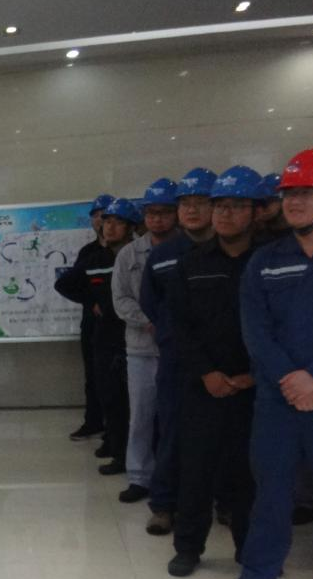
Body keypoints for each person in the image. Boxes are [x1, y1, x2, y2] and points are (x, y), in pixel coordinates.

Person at [216, 148, 313, 579]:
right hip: (277, 400)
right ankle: (258, 575)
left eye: (307, 192)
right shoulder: (266, 261)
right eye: (289, 193)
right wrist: (292, 380)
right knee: (270, 491)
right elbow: (255, 332)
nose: (293, 201)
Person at [165, 166, 262, 577]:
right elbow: (178, 326)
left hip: (256, 386)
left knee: (248, 474)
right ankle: (188, 547)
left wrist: (255, 374)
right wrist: (207, 372)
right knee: (196, 470)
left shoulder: (267, 260)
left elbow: (280, 325)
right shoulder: (191, 263)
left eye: (236, 206)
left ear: (255, 212)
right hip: (202, 385)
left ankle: (250, 550)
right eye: (219, 205)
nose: (225, 214)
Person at [138, 167, 218, 535]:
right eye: (185, 203)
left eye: (200, 202)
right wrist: (172, 333)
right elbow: (150, 301)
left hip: (225, 360)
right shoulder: (164, 255)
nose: (192, 210)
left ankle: (226, 502)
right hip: (177, 359)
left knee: (227, 436)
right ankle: (164, 505)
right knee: (171, 431)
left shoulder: (234, 253)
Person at [112, 178, 177, 503]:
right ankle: (139, 476)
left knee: (175, 419)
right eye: (151, 213)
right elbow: (121, 299)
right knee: (141, 415)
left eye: (164, 213)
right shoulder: (129, 254)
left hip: (178, 349)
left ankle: (176, 477)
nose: (157, 219)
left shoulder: (188, 250)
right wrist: (149, 321)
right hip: (141, 348)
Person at [84, 197, 140, 477]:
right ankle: (119, 454)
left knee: (137, 405)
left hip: (137, 339)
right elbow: (69, 282)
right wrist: (91, 302)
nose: (110, 226)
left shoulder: (140, 255)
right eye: (107, 221)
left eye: (118, 222)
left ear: (131, 227)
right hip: (106, 340)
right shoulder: (95, 258)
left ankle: (139, 460)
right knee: (112, 400)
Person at [61, 193, 113, 443]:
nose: (101, 221)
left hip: (124, 326)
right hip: (94, 324)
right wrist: (91, 303)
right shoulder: (88, 252)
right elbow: (70, 284)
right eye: (96, 216)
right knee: (93, 375)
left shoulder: (129, 250)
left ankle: (118, 429)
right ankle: (93, 422)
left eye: (106, 216)